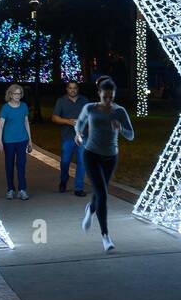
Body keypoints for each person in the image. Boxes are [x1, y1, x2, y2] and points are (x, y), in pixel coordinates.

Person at [75, 76, 134, 252]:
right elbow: (79, 123)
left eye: (111, 97)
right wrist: (77, 134)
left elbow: (131, 135)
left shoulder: (119, 111)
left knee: (101, 192)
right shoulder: (90, 108)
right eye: (105, 96)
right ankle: (105, 236)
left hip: (110, 157)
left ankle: (90, 209)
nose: (108, 100)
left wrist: (121, 128)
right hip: (91, 154)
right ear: (99, 94)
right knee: (102, 193)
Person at [51, 79, 88, 195]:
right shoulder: (61, 101)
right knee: (65, 161)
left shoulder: (85, 101)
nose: (73, 90)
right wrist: (68, 121)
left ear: (78, 89)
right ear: (67, 89)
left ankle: (78, 188)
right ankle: (63, 180)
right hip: (67, 137)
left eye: (75, 88)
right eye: (70, 88)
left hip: (82, 137)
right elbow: (54, 118)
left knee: (82, 162)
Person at [0, 84, 33, 200]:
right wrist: (0, 141)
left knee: (21, 165)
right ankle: (10, 189)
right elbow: (1, 126)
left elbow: (26, 123)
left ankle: (22, 190)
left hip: (22, 140)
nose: (17, 96)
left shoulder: (24, 106)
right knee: (9, 165)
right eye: (15, 93)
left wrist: (30, 140)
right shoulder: (5, 108)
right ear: (10, 95)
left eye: (19, 93)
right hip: (9, 141)